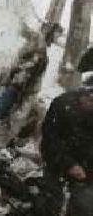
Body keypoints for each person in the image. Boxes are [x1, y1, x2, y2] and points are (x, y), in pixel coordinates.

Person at [37, 49, 93, 216]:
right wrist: (69, 165)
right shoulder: (63, 105)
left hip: (87, 176)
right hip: (59, 169)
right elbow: (49, 143)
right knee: (50, 205)